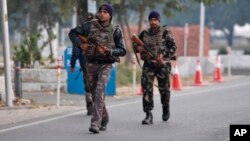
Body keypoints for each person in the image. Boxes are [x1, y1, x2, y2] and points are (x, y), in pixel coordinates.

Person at [69, 4, 126, 133]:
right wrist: (81, 45)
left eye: (105, 12)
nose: (102, 13)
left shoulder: (116, 30)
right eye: (100, 11)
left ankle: (95, 123)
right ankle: (104, 117)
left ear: (110, 15)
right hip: (90, 63)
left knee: (100, 90)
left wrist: (110, 51)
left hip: (106, 64)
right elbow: (72, 33)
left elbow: (122, 50)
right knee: (95, 94)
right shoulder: (89, 25)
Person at [133, 10, 177, 125]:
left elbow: (173, 47)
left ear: (159, 20)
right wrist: (138, 48)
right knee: (147, 88)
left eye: (155, 20)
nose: (153, 22)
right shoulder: (144, 33)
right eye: (151, 20)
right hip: (149, 64)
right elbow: (135, 45)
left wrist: (164, 55)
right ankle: (148, 114)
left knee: (164, 89)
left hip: (163, 64)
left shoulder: (166, 33)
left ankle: (165, 106)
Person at [70, 12, 95, 116]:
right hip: (96, 65)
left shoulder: (79, 35)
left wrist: (72, 65)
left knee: (88, 87)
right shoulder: (97, 33)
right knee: (97, 86)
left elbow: (76, 52)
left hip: (86, 67)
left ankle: (90, 108)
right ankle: (97, 107)